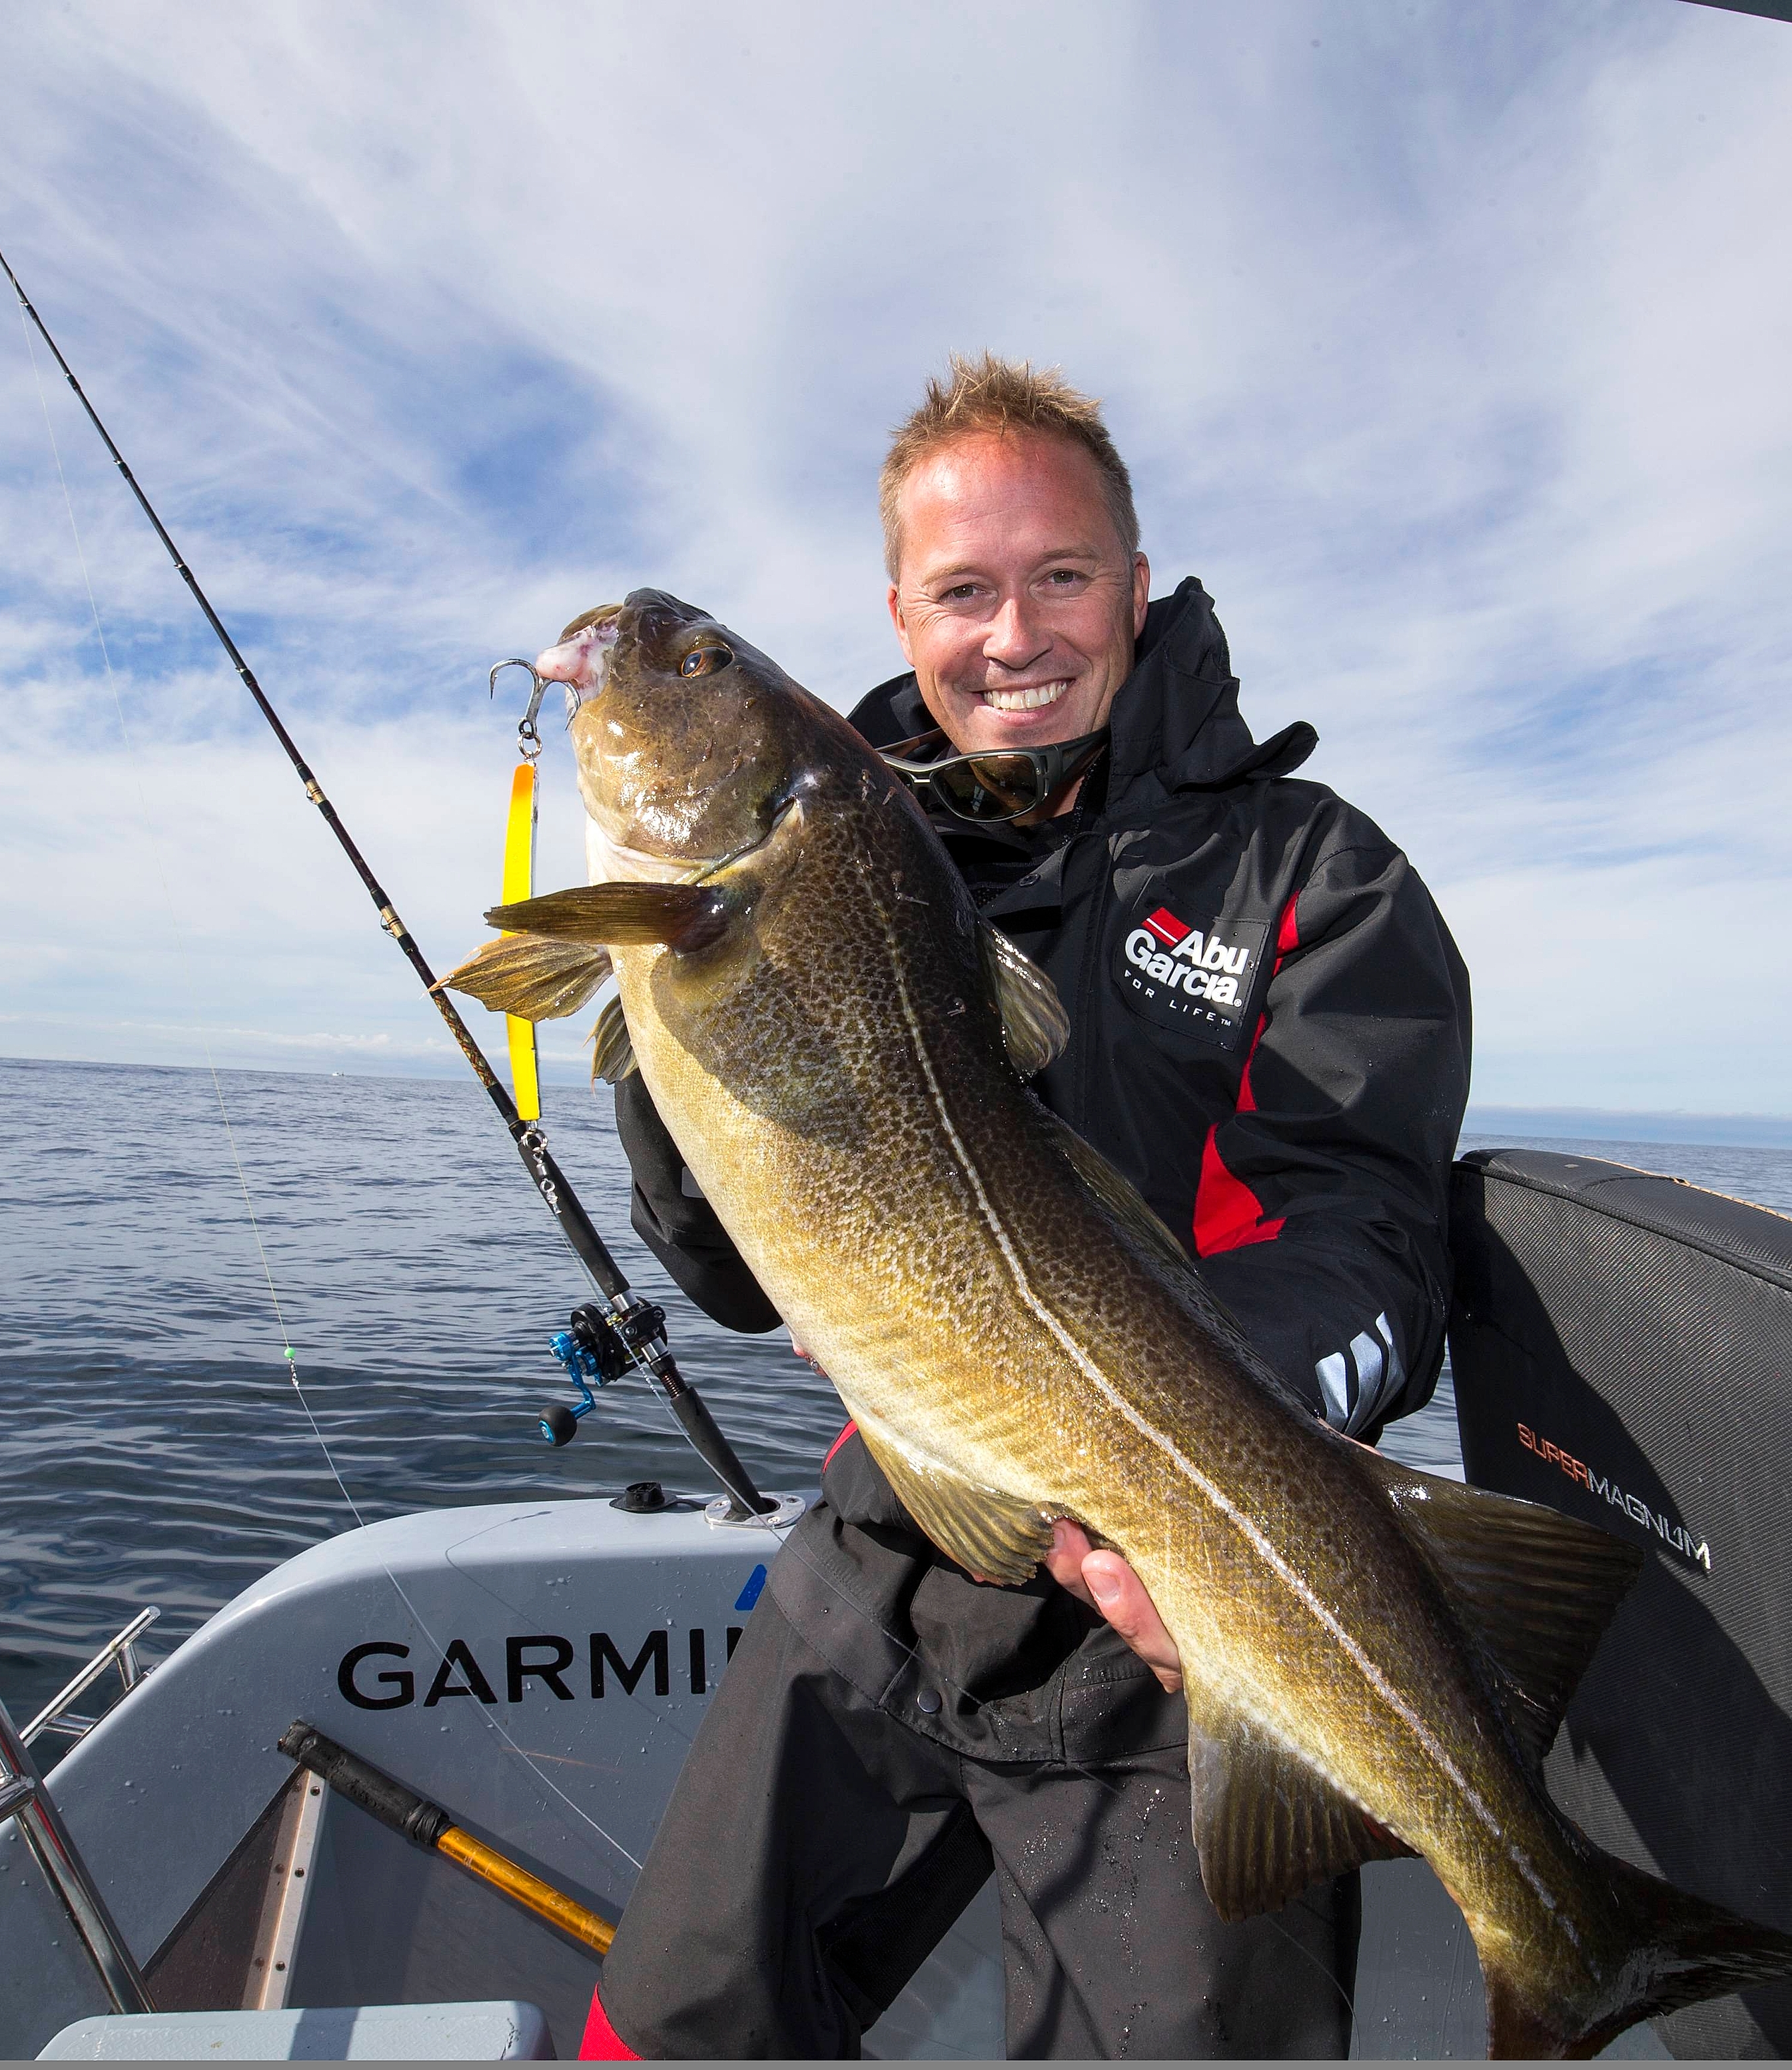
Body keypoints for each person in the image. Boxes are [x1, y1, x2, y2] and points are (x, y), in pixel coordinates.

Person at [580, 356, 1472, 2060]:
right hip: (887, 1550)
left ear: (1135, 587)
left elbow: (1371, 1249)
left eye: (1061, 576)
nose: (1016, 635)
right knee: (667, 2036)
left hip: (1179, 1629)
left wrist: (1216, 1505)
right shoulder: (842, 845)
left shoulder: (1318, 875)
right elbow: (731, 1281)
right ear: (902, 613)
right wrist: (659, 1010)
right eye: (964, 591)